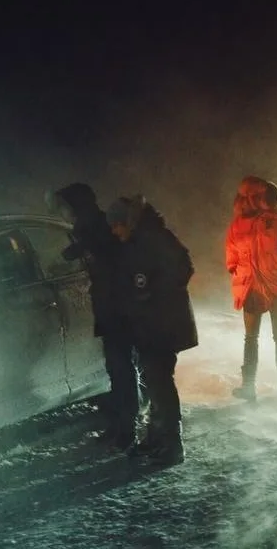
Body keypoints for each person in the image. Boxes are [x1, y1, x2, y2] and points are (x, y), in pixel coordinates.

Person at [106, 194, 197, 466]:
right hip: (151, 324)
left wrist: (153, 293)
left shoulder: (155, 238)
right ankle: (158, 438)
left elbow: (183, 268)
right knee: (155, 382)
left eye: (116, 226)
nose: (114, 232)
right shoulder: (140, 240)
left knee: (160, 383)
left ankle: (172, 444)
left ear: (126, 222)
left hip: (163, 324)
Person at [47, 183, 139, 450]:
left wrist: (74, 252)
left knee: (121, 367)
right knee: (113, 367)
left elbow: (104, 255)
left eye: (66, 206)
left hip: (117, 307)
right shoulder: (88, 228)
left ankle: (127, 426)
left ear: (77, 206)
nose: (63, 213)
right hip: (108, 305)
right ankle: (119, 423)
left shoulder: (96, 228)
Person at [225, 176, 277, 401]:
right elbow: (232, 256)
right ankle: (252, 386)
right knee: (255, 337)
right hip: (253, 287)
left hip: (274, 286)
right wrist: (240, 274)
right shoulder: (242, 223)